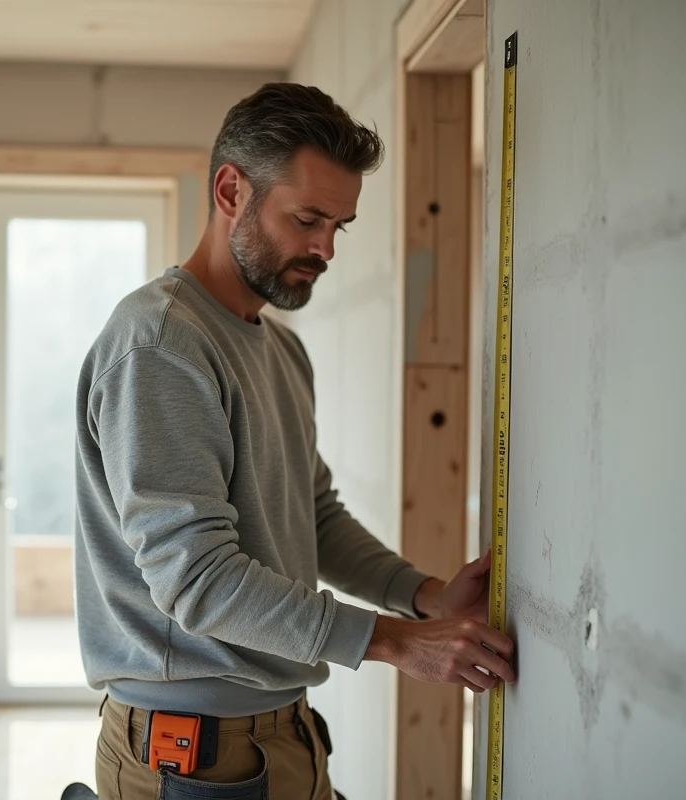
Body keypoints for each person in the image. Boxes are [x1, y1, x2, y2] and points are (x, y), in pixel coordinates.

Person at [73, 82, 516, 800]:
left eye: (340, 225)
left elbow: (312, 517)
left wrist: (425, 597)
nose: (326, 248)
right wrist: (397, 644)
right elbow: (198, 581)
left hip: (282, 731)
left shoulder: (281, 351)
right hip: (188, 752)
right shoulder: (159, 345)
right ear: (229, 191)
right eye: (308, 218)